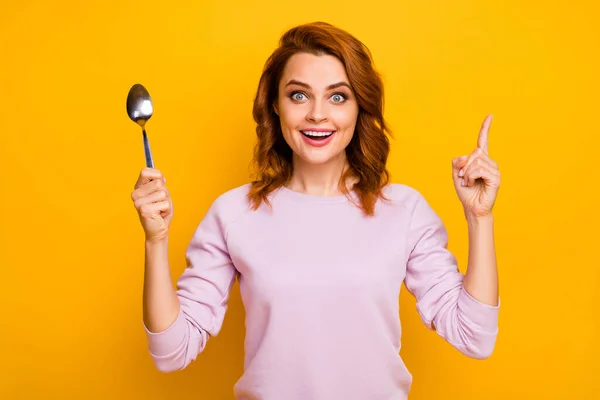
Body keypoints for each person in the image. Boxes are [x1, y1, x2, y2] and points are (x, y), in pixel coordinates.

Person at [131, 21, 501, 400]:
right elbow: (170, 353)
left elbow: (474, 336)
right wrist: (156, 241)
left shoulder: (403, 211)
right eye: (299, 95)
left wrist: (479, 218)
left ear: (360, 108)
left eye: (338, 97)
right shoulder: (234, 213)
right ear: (275, 105)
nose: (318, 115)